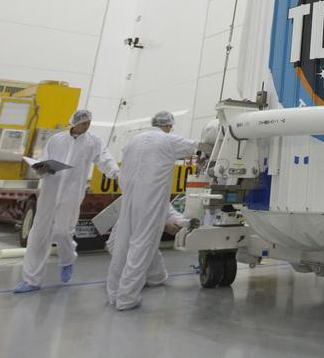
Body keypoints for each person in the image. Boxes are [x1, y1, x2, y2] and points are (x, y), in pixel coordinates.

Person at [14, 109, 119, 293]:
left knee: (63, 232)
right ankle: (31, 280)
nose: (87, 126)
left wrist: (115, 173)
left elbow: (105, 159)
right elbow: (43, 161)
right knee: (38, 235)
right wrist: (40, 169)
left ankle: (67, 259)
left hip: (71, 193)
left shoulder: (93, 142)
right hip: (50, 191)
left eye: (89, 123)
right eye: (84, 123)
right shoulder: (57, 139)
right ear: (74, 123)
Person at [104, 111, 197, 311]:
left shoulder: (133, 141)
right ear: (168, 126)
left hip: (129, 198)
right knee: (142, 246)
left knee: (122, 245)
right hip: (151, 201)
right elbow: (197, 147)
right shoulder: (167, 140)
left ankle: (113, 294)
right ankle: (127, 298)